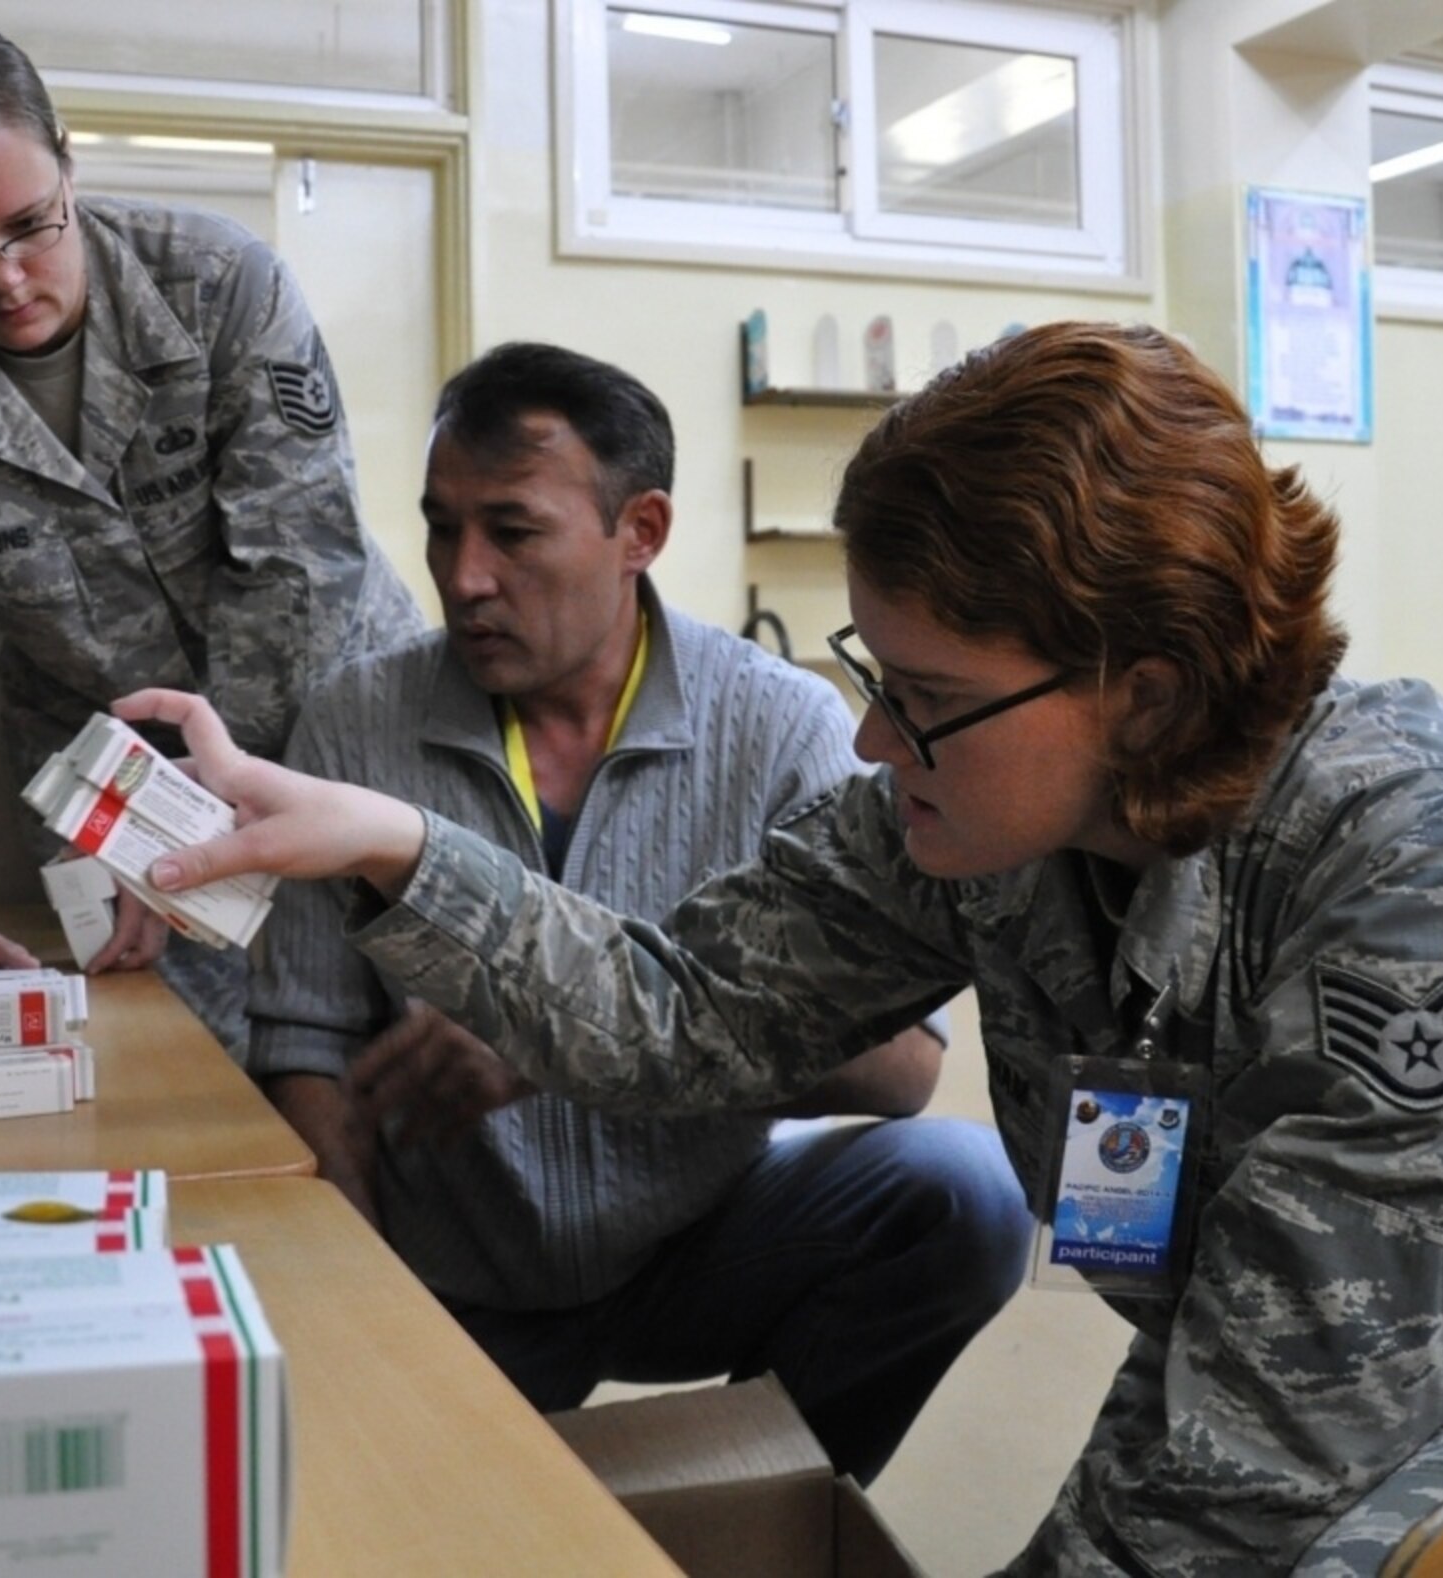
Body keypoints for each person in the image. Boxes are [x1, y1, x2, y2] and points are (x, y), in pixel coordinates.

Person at [120, 321, 1443, 1574]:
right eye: (874, 674)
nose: (873, 736)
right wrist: (385, 840)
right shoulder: (986, 814)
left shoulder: (1422, 872)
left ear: (1144, 693)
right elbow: (677, 1010)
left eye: (928, 693)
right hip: (1260, 1360)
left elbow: (1274, 1441)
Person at [252, 341, 1031, 1484]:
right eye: (439, 526)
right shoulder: (356, 726)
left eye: (511, 532)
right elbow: (301, 1042)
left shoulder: (778, 725)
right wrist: (374, 1301)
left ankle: (768, 1509)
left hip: (696, 1237)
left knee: (963, 1193)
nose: (462, 576)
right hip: (454, 1263)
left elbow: (901, 1070)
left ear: (641, 532)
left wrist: (552, 1041)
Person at [0, 21, 422, 1057]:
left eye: (31, 224)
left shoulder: (219, 288)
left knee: (406, 1041)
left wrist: (183, 819)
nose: (4, 278)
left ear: (69, 167)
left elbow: (295, 581)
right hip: (102, 777)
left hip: (334, 729)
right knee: (170, 1060)